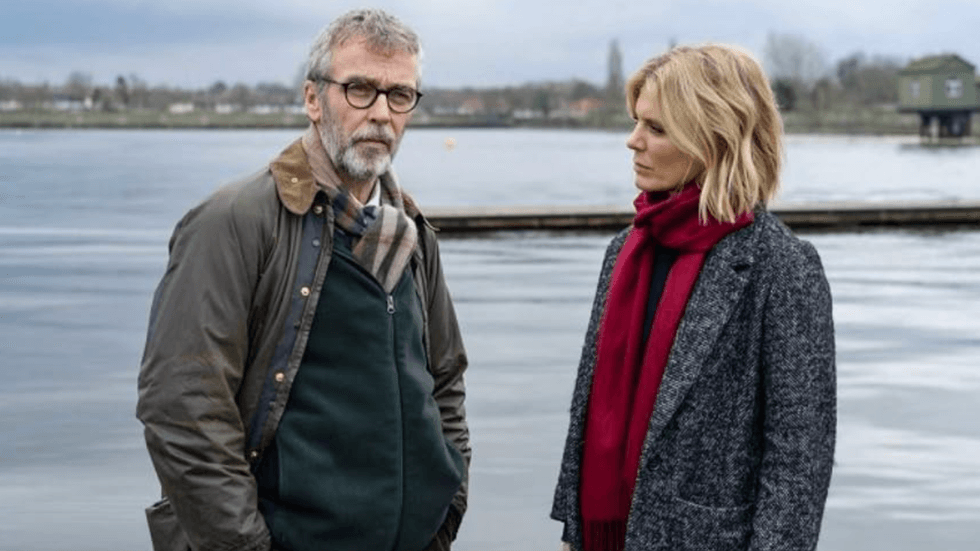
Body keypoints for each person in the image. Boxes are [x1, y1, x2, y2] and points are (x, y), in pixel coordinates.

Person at [137, 9, 470, 551]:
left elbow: (446, 382)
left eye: (400, 95)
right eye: (359, 89)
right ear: (313, 99)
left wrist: (446, 510)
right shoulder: (233, 222)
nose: (381, 113)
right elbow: (181, 410)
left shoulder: (410, 232)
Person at [551, 44, 836, 551]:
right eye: (637, 122)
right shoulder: (624, 251)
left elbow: (798, 463)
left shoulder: (781, 266)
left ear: (713, 140)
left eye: (656, 128)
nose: (633, 141)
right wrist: (573, 534)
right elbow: (588, 416)